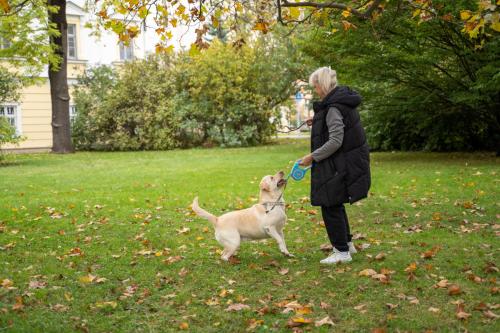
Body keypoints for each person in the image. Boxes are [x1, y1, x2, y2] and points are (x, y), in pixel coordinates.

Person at [299, 67, 371, 264]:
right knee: (335, 203)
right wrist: (318, 120)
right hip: (344, 162)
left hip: (337, 164)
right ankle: (347, 245)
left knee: (329, 204)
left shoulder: (333, 108)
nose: (316, 91)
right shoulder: (339, 103)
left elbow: (336, 140)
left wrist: (312, 157)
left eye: (316, 86)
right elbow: (338, 124)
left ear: (323, 85)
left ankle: (341, 252)